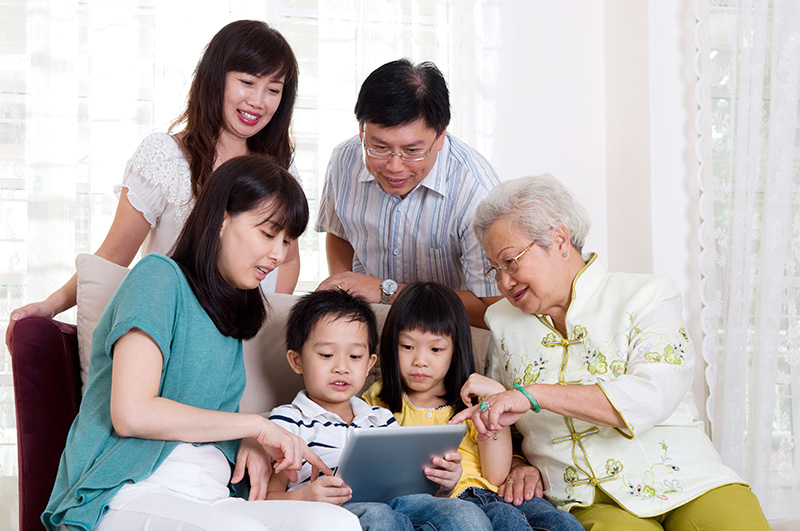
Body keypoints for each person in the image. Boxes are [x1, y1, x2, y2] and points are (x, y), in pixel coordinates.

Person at [42, 155, 360, 531]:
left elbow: (207, 420)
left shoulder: (233, 311)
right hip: (127, 491)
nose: (278, 255)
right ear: (221, 220)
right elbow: (131, 413)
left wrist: (247, 440)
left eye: (287, 241)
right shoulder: (158, 278)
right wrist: (253, 427)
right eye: (268, 233)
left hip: (212, 497)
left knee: (335, 523)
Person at [450, 174, 770, 530]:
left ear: (559, 240)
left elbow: (651, 394)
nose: (504, 282)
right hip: (583, 499)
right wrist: (517, 463)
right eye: (495, 269)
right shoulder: (502, 321)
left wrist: (532, 395)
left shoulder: (647, 295)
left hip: (689, 482)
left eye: (511, 262)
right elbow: (505, 421)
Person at [7, 19, 301, 350]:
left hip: (246, 339)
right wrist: (52, 304)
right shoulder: (165, 157)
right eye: (247, 82)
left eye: (273, 90)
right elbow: (113, 255)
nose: (259, 101)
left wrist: (263, 327)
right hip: (175, 334)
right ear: (215, 79)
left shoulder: (282, 170)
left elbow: (287, 258)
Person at [266, 288, 494, 531]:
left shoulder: (380, 419)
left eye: (355, 356)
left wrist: (445, 486)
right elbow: (265, 497)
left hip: (398, 505)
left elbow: (414, 494)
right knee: (379, 516)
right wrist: (305, 496)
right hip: (333, 511)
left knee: (465, 513)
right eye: (327, 354)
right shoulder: (287, 422)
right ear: (297, 361)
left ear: (369, 364)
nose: (341, 367)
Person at [363, 282, 583, 531]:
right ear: (392, 345)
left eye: (436, 349)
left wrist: (494, 403)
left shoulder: (474, 398)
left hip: (495, 493)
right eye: (408, 347)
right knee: (505, 519)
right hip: (450, 503)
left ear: (455, 350)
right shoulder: (378, 400)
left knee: (561, 522)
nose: (420, 361)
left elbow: (496, 475)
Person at [314, 59, 501, 328]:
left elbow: (490, 308)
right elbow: (340, 234)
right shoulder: (344, 160)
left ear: (441, 137)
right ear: (361, 131)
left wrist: (386, 291)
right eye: (378, 147)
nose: (394, 166)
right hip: (367, 330)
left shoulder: (476, 192)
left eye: (412, 151)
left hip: (443, 340)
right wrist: (346, 294)